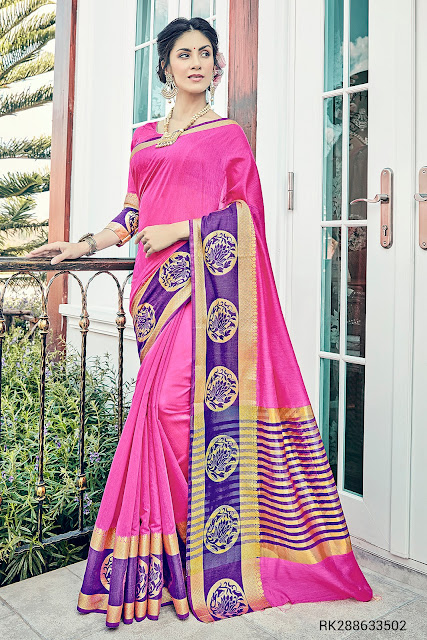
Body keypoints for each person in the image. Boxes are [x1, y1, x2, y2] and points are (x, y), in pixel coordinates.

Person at [25, 16, 373, 628]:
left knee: (172, 409)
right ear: (165, 66)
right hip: (152, 296)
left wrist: (181, 231)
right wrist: (79, 244)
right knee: (167, 414)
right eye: (183, 54)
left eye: (205, 54)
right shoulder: (143, 138)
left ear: (216, 67)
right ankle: (172, 557)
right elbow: (130, 217)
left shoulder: (227, 136)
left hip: (204, 295)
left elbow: (247, 220)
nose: (196, 63)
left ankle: (205, 556)